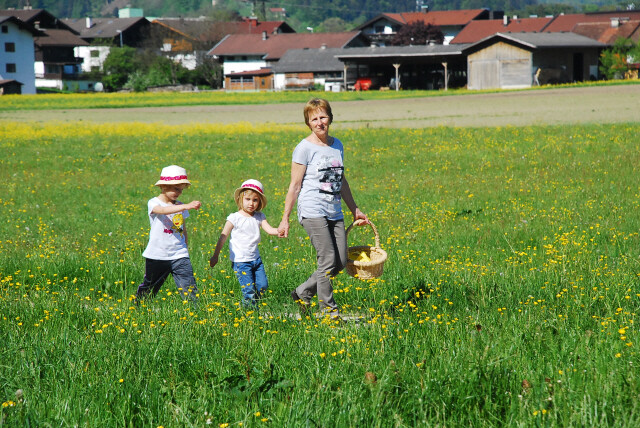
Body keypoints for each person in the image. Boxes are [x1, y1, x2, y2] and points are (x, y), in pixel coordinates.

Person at [278, 98, 369, 319]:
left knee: (339, 262)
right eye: (314, 119)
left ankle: (303, 292)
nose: (319, 122)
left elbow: (341, 180)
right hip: (312, 209)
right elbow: (295, 185)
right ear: (308, 123)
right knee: (327, 259)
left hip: (334, 210)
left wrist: (354, 209)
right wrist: (285, 218)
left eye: (323, 117)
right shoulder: (303, 148)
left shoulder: (337, 145)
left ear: (330, 118)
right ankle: (329, 311)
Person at [135, 165, 202, 305]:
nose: (179, 192)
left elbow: (183, 228)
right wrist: (185, 206)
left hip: (179, 253)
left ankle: (195, 311)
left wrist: (186, 246)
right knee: (150, 286)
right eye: (176, 188)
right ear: (164, 186)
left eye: (181, 189)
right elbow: (162, 210)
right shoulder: (154, 203)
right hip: (157, 254)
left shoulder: (180, 205)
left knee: (189, 286)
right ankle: (139, 307)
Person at [210, 179, 280, 308]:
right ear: (240, 199)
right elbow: (223, 237)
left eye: (255, 200)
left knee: (262, 286)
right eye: (248, 199)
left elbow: (270, 230)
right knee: (248, 290)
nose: (251, 203)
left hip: (256, 260)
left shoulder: (259, 216)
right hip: (241, 261)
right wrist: (215, 255)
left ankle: (254, 306)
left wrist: (279, 231)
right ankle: (249, 315)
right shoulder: (234, 218)